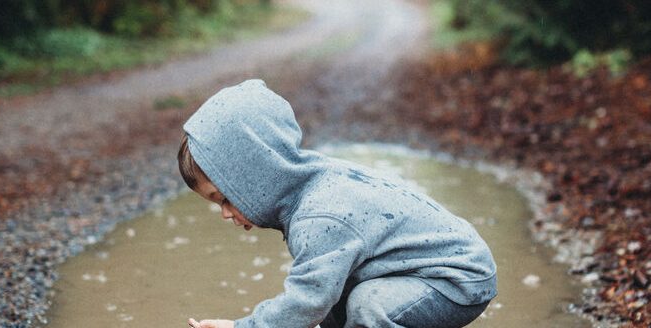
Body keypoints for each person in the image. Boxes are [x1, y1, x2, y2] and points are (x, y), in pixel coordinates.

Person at [180, 79, 496, 328]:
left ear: (257, 174)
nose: (224, 213)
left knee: (367, 306)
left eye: (223, 198)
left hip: (456, 279)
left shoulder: (320, 215)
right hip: (420, 271)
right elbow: (326, 293)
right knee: (346, 296)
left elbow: (308, 302)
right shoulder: (309, 186)